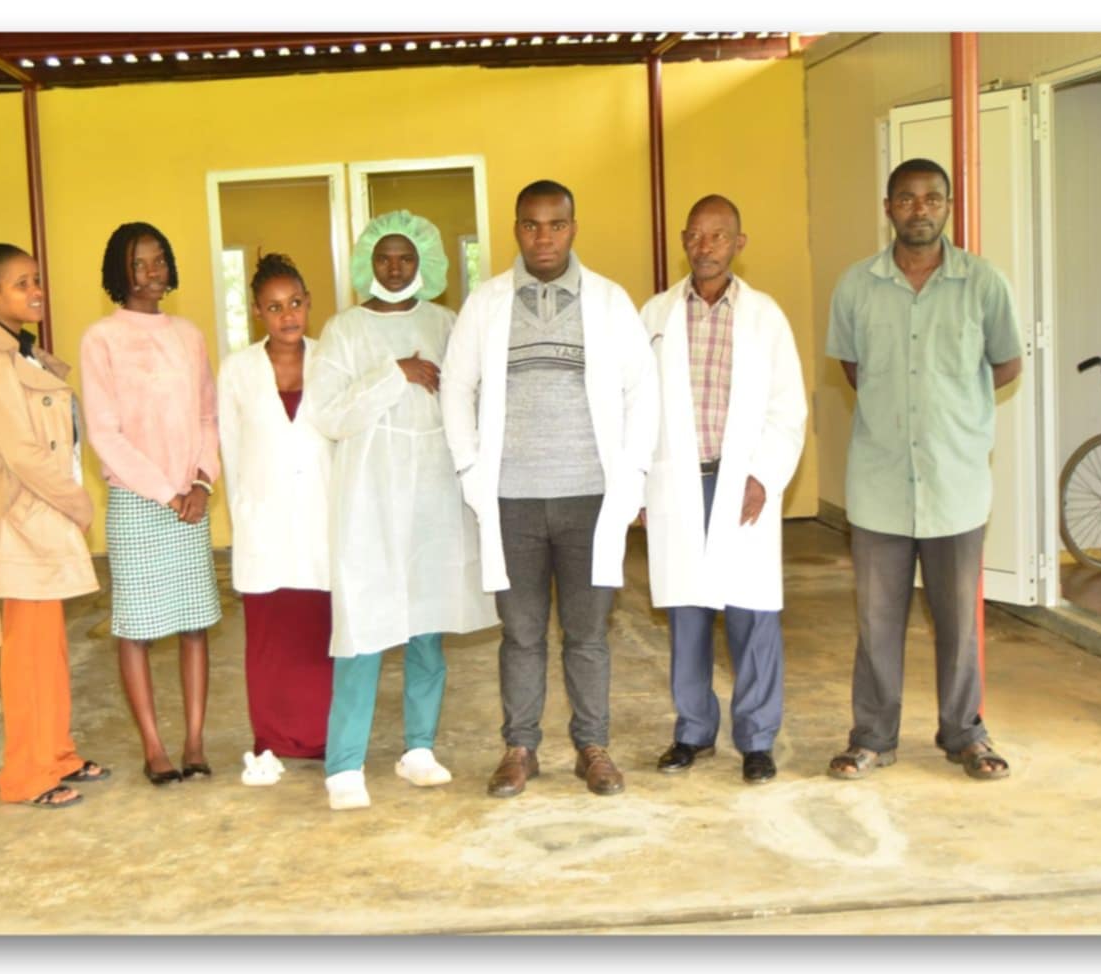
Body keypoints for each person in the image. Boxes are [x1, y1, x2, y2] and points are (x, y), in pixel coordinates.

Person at [440, 180, 658, 798]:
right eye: (531, 225)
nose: (544, 237)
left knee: (587, 634)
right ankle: (520, 748)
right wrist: (469, 468)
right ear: (516, 229)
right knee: (521, 633)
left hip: (591, 498)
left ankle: (593, 748)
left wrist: (634, 476)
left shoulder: (609, 302)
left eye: (556, 225)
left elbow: (642, 390)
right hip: (511, 500)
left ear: (573, 228)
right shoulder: (486, 304)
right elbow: (456, 385)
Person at [825, 158, 1022, 781]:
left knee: (958, 623)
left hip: (954, 483)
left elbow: (1006, 364)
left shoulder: (983, 284)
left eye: (932, 198)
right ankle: (872, 737)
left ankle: (965, 733)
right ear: (888, 208)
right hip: (879, 482)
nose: (920, 209)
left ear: (948, 207)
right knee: (876, 622)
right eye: (906, 199)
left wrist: (954, 413)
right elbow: (852, 367)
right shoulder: (856, 286)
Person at [305, 209, 497, 811]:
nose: (394, 268)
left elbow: (471, 399)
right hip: (369, 499)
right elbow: (328, 413)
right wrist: (395, 374)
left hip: (434, 497)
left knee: (427, 627)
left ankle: (419, 748)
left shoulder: (446, 323)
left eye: (406, 258)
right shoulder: (344, 330)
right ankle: (344, 765)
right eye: (384, 257)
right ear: (367, 262)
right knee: (363, 629)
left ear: (424, 263)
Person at [639, 195, 807, 785]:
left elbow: (788, 407)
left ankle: (756, 738)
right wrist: (639, 481)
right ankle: (692, 731)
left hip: (741, 484)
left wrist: (764, 475)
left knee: (751, 613)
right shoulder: (655, 314)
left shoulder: (765, 317)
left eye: (718, 235)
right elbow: (635, 405)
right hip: (677, 482)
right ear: (684, 240)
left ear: (739, 243)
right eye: (695, 235)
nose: (704, 246)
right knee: (687, 613)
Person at [0, 243, 110, 809]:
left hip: (43, 514)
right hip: (22, 517)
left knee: (50, 651)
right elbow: (21, 452)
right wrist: (78, 504)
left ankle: (56, 755)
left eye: (36, 279)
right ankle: (25, 776)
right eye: (21, 283)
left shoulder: (22, 351)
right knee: (27, 658)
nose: (35, 290)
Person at [81, 222, 222, 786]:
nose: (151, 272)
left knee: (195, 626)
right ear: (119, 272)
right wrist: (169, 492)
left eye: (159, 259)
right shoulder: (101, 339)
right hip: (140, 502)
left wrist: (203, 483)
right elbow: (104, 433)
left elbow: (208, 416)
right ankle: (154, 747)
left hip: (191, 501)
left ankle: (194, 741)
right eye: (138, 263)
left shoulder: (188, 335)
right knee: (137, 629)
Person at [216, 253, 334, 767]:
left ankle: (323, 736)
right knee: (270, 638)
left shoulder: (331, 360)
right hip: (263, 520)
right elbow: (230, 448)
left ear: (308, 303)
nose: (288, 315)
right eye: (274, 307)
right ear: (257, 313)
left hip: (322, 517)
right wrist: (244, 515)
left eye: (295, 303)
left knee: (318, 635)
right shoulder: (237, 370)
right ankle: (273, 737)